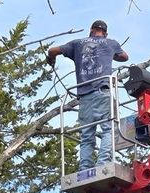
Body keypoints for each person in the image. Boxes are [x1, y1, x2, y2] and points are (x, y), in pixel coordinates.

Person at [47, 20, 128, 170]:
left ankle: (85, 168)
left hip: (84, 97)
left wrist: (51, 59)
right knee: (108, 129)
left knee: (86, 135)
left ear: (91, 30)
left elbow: (52, 50)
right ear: (105, 33)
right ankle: (103, 165)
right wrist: (111, 54)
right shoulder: (110, 42)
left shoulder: (77, 44)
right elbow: (124, 57)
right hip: (102, 92)